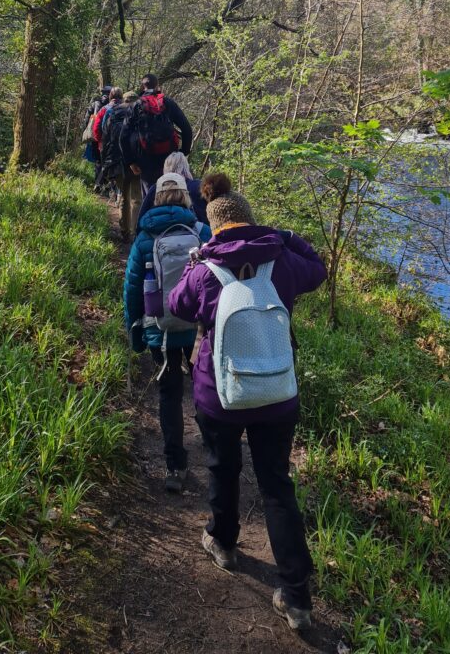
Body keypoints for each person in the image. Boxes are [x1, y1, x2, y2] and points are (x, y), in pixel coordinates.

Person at [169, 172, 327, 631]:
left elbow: (179, 305)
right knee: (277, 485)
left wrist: (194, 264)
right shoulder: (282, 262)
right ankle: (296, 596)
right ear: (253, 221)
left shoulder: (204, 269)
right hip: (277, 393)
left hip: (219, 393)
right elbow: (316, 267)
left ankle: (223, 541)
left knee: (222, 466)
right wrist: (288, 236)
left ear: (214, 227)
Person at [123, 173, 211, 492]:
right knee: (203, 386)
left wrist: (135, 334)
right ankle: (213, 445)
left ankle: (176, 466)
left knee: (169, 395)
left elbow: (133, 289)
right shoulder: (202, 232)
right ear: (186, 198)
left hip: (161, 331)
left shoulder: (145, 238)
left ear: (157, 198)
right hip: (199, 330)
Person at [122, 73, 193, 195]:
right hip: (169, 157)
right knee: (169, 194)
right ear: (157, 86)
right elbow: (187, 129)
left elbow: (123, 136)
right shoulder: (168, 103)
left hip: (145, 159)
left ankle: (150, 212)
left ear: (142, 86)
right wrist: (183, 152)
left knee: (149, 196)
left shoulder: (135, 106)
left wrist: (131, 161)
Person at [101, 90, 141, 240]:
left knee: (124, 196)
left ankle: (124, 231)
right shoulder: (141, 113)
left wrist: (105, 161)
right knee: (137, 198)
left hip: (117, 161)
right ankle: (134, 232)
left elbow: (106, 139)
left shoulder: (113, 113)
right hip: (137, 162)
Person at [137, 151, 207, 227]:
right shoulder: (199, 186)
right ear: (186, 167)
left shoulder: (156, 188)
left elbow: (142, 218)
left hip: (160, 233)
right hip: (198, 233)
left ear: (165, 168)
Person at [93, 87, 123, 194]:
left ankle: (100, 186)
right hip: (121, 143)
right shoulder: (125, 109)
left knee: (104, 164)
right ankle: (115, 190)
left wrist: (99, 140)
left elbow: (96, 127)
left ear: (110, 96)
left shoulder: (104, 109)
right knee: (119, 166)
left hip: (105, 142)